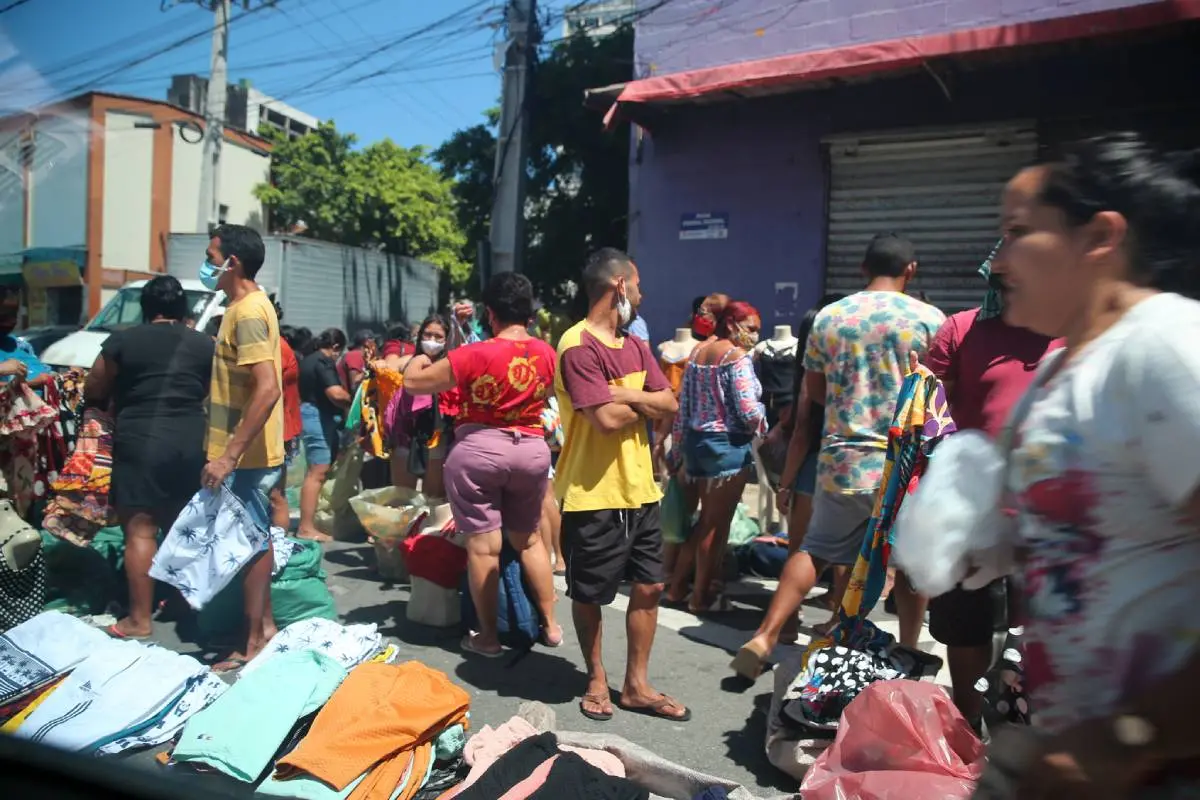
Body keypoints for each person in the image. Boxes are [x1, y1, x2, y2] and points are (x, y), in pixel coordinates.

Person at [970, 134, 1200, 797]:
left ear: (1099, 236)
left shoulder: (1166, 349)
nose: (999, 259)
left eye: (1017, 233)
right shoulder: (1056, 369)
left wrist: (1132, 736)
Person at [732, 232, 945, 680]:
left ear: (863, 270)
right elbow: (937, 398)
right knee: (907, 560)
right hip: (901, 464)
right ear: (911, 270)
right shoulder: (929, 320)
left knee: (815, 549)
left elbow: (815, 397)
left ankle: (766, 635)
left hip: (841, 458)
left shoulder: (830, 318)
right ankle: (906, 646)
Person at [922, 246, 1062, 731]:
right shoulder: (961, 330)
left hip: (1050, 514)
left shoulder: (1080, 333)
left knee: (1040, 629)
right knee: (965, 623)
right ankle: (967, 718)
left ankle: (1023, 731)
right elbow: (923, 415)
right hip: (969, 507)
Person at [555, 247, 687, 723]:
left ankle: (636, 685)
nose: (642, 293)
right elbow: (607, 420)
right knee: (590, 593)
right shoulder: (577, 346)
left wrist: (629, 392)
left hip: (642, 489)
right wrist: (644, 401)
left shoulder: (633, 345)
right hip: (593, 493)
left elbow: (669, 402)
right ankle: (595, 678)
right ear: (618, 287)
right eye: (638, 284)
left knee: (650, 587)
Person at [403, 273, 562, 656]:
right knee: (530, 540)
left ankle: (488, 637)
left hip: (478, 451)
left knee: (484, 548)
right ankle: (552, 626)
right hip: (531, 450)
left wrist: (421, 358)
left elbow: (414, 384)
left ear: (490, 313)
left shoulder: (470, 354)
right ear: (528, 311)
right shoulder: (547, 353)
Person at [83, 276, 214, 640]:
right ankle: (186, 607)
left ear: (146, 307)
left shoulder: (124, 340)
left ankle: (139, 620)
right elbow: (206, 389)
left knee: (140, 529)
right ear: (182, 308)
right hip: (190, 440)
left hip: (140, 439)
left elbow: (94, 385)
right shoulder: (204, 345)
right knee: (181, 526)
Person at [198, 224, 284, 671]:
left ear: (231, 262)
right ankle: (263, 628)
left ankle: (251, 642)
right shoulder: (242, 307)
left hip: (245, 457)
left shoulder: (248, 311)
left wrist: (228, 455)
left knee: (249, 546)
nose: (206, 262)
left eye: (211, 254)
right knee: (254, 540)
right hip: (242, 453)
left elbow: (266, 389)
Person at [665, 301, 767, 614]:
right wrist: (765, 427)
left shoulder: (697, 353)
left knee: (703, 523)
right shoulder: (736, 357)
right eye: (750, 328)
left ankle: (679, 587)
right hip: (726, 447)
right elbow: (748, 409)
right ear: (733, 325)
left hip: (697, 445)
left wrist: (678, 447)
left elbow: (684, 406)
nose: (754, 335)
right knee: (714, 525)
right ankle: (699, 597)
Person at [771, 293, 845, 640]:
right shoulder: (853, 372)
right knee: (846, 555)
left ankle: (784, 625)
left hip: (811, 471)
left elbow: (801, 433)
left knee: (799, 548)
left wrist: (783, 485)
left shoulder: (811, 376)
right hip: (850, 466)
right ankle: (840, 624)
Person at [389, 316, 456, 497]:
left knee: (433, 499)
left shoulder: (449, 366)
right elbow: (389, 366)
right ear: (419, 336)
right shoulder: (408, 361)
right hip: (405, 434)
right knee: (403, 498)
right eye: (427, 335)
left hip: (436, 436)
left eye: (438, 336)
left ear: (446, 339)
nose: (432, 341)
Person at [297, 328, 351, 542]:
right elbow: (335, 394)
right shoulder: (322, 362)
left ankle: (307, 524)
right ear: (336, 347)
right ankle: (306, 527)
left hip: (310, 413)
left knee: (316, 471)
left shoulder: (308, 359)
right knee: (317, 472)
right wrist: (354, 400)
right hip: (316, 416)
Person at [271, 303, 303, 533]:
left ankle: (276, 550)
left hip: (274, 428)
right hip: (278, 427)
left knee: (274, 494)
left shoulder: (275, 348)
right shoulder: (278, 345)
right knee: (274, 494)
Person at [337, 329, 378, 394]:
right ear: (367, 343)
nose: (376, 346)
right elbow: (354, 386)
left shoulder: (358, 355)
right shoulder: (355, 355)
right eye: (375, 342)